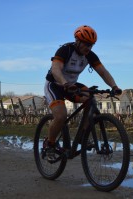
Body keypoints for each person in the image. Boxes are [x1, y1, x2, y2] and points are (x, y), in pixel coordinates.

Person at [44, 25, 121, 161]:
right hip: (55, 85)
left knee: (90, 99)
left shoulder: (90, 56)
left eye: (91, 45)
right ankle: (49, 144)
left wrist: (114, 86)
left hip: (72, 86)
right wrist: (64, 83)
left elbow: (103, 72)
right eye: (86, 44)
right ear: (78, 41)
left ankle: (81, 137)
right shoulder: (65, 50)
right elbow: (56, 69)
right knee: (61, 116)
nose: (89, 48)